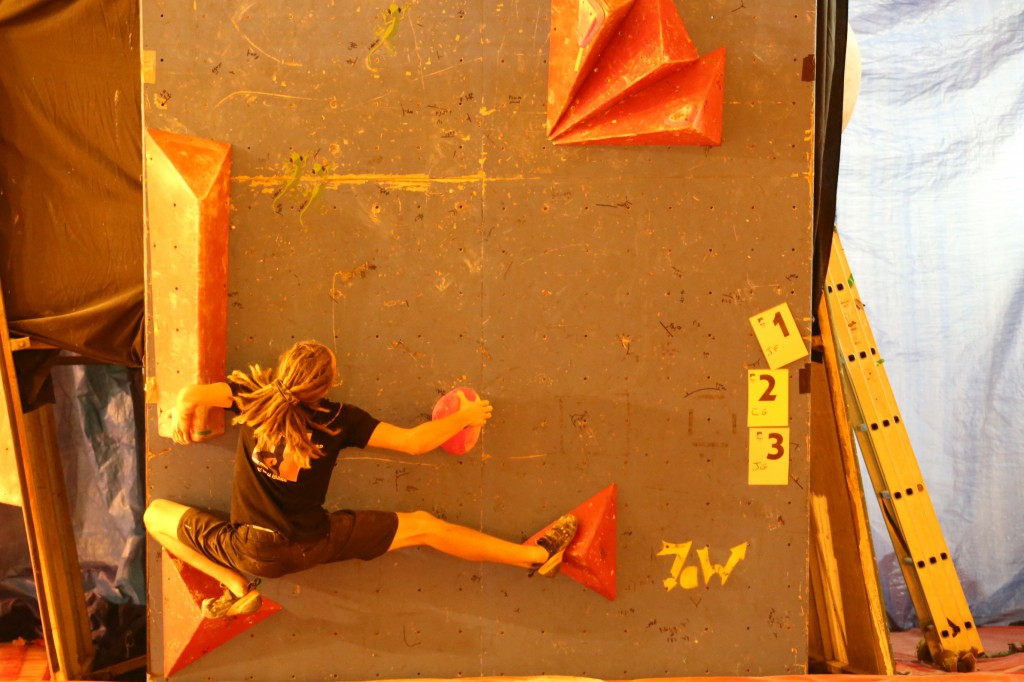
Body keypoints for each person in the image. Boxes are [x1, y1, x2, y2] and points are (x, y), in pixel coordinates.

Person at [144, 340, 578, 619]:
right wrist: (466, 416)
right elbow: (414, 442)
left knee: (154, 516)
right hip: (313, 542)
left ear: (282, 371)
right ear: (328, 384)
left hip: (250, 550)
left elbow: (194, 394)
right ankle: (535, 556)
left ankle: (235, 585)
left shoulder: (253, 396)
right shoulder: (338, 420)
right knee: (425, 527)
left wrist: (183, 410)